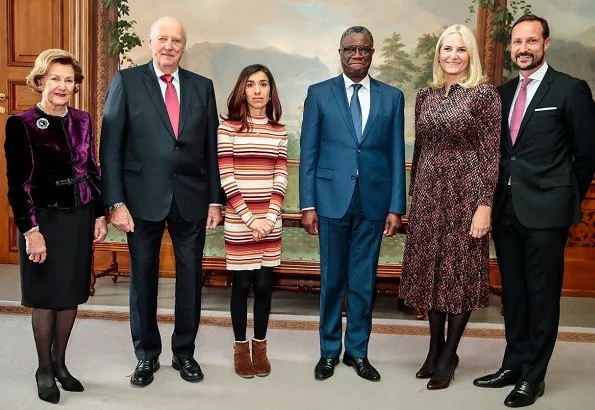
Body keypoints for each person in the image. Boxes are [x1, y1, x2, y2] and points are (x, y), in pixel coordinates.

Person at [473, 14, 595, 408]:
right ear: (511, 47)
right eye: (517, 42)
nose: (523, 48)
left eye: (531, 41)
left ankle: (534, 376)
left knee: (542, 295)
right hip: (506, 211)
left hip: (548, 212)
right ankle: (513, 363)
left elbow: (586, 154)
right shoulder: (503, 93)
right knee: (516, 294)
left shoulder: (571, 90)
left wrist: (561, 195)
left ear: (547, 43)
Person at [99, 16, 223, 387]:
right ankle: (146, 356)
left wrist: (215, 200)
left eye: (177, 41)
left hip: (192, 199)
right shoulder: (127, 81)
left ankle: (185, 353)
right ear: (150, 42)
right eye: (163, 39)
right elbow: (111, 148)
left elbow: (211, 149)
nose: (169, 46)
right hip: (140, 201)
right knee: (143, 279)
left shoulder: (203, 87)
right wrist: (115, 202)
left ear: (184, 46)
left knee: (190, 279)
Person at [299, 26, 406, 382]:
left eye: (363, 48)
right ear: (340, 52)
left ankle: (357, 352)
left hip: (374, 203)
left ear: (372, 52)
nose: (357, 54)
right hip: (331, 202)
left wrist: (396, 206)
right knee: (332, 280)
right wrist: (307, 204)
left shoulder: (392, 97)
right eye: (350, 49)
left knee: (363, 282)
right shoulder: (319, 94)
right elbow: (309, 153)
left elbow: (395, 155)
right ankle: (329, 352)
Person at [398, 24, 501, 391]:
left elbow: (491, 155)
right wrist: (414, 199)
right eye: (447, 49)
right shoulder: (425, 96)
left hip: (465, 194)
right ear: (438, 54)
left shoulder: (484, 95)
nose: (453, 56)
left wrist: (484, 204)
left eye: (460, 49)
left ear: (470, 55)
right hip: (428, 193)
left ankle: (449, 354)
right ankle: (434, 348)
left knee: (459, 274)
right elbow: (420, 150)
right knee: (432, 273)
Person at [4, 49, 107, 404]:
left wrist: (99, 214)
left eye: (68, 80)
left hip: (78, 217)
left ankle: (61, 365)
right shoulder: (22, 123)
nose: (62, 86)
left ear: (75, 86)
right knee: (46, 298)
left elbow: (91, 169)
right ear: (40, 81)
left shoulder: (83, 120)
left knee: (71, 293)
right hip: (42, 220)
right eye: (55, 79)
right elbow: (18, 185)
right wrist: (31, 232)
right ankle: (44, 368)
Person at [217, 64, 288, 378]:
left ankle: (261, 347)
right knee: (241, 285)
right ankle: (240, 348)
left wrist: (270, 217)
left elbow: (281, 176)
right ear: (241, 90)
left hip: (270, 221)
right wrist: (250, 219)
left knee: (263, 286)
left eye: (263, 84)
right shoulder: (227, 129)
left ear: (271, 90)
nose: (257, 90)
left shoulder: (279, 131)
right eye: (251, 84)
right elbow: (227, 178)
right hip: (239, 220)